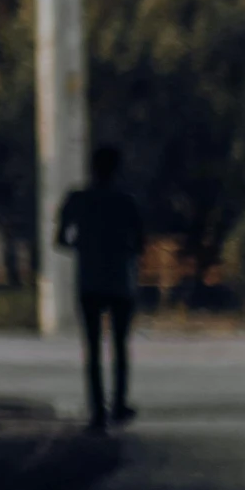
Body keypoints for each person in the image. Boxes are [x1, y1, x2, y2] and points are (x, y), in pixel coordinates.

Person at [57, 145, 144, 431]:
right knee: (120, 346)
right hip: (120, 280)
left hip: (90, 280)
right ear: (116, 168)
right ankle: (119, 404)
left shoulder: (77, 199)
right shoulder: (127, 201)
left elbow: (60, 239)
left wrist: (84, 246)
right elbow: (140, 242)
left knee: (92, 349)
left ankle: (97, 413)